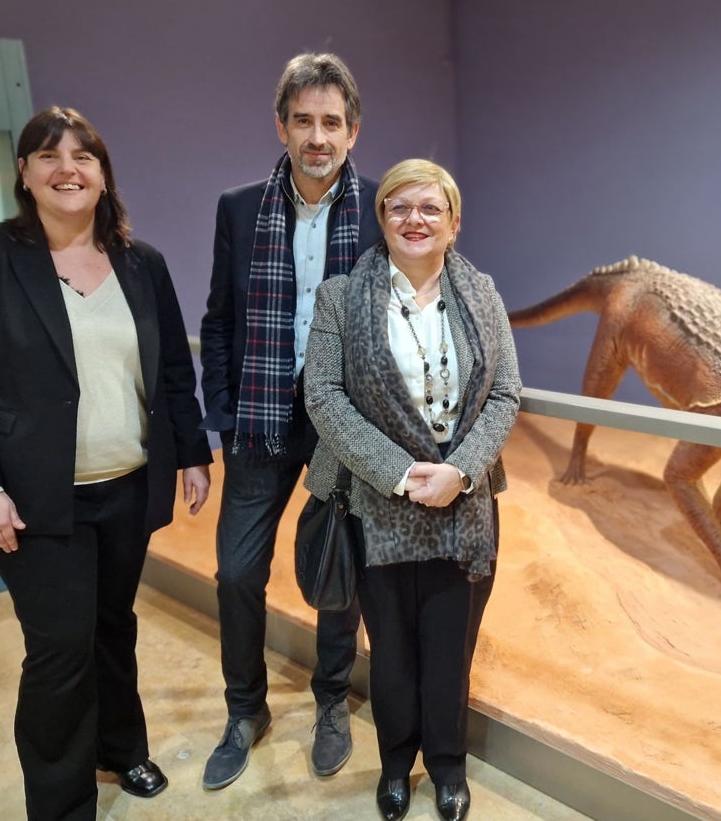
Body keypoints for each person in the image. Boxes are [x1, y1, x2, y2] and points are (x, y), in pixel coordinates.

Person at [0, 106, 212, 820]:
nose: (68, 168)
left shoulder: (139, 262)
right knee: (59, 648)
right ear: (23, 174)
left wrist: (192, 453)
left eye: (84, 155)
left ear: (103, 173)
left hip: (126, 487)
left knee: (112, 623)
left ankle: (120, 745)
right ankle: (61, 803)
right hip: (30, 498)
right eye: (48, 156)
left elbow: (173, 369)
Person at [303, 158, 521, 821]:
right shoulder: (340, 296)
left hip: (464, 507)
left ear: (454, 223)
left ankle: (448, 766)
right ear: (382, 219)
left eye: (430, 208)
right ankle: (397, 762)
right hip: (377, 505)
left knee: (449, 652)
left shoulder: (483, 294)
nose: (414, 219)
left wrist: (462, 470)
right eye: (399, 206)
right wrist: (399, 472)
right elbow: (324, 395)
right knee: (392, 652)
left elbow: (507, 392)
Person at [198, 51, 382, 789]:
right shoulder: (239, 208)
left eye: (331, 122)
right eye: (302, 120)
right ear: (281, 125)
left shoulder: (379, 209)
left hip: (345, 419)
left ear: (353, 131)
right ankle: (245, 709)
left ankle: (331, 698)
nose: (317, 135)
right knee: (237, 571)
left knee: (343, 569)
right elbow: (218, 319)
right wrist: (224, 411)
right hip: (261, 417)